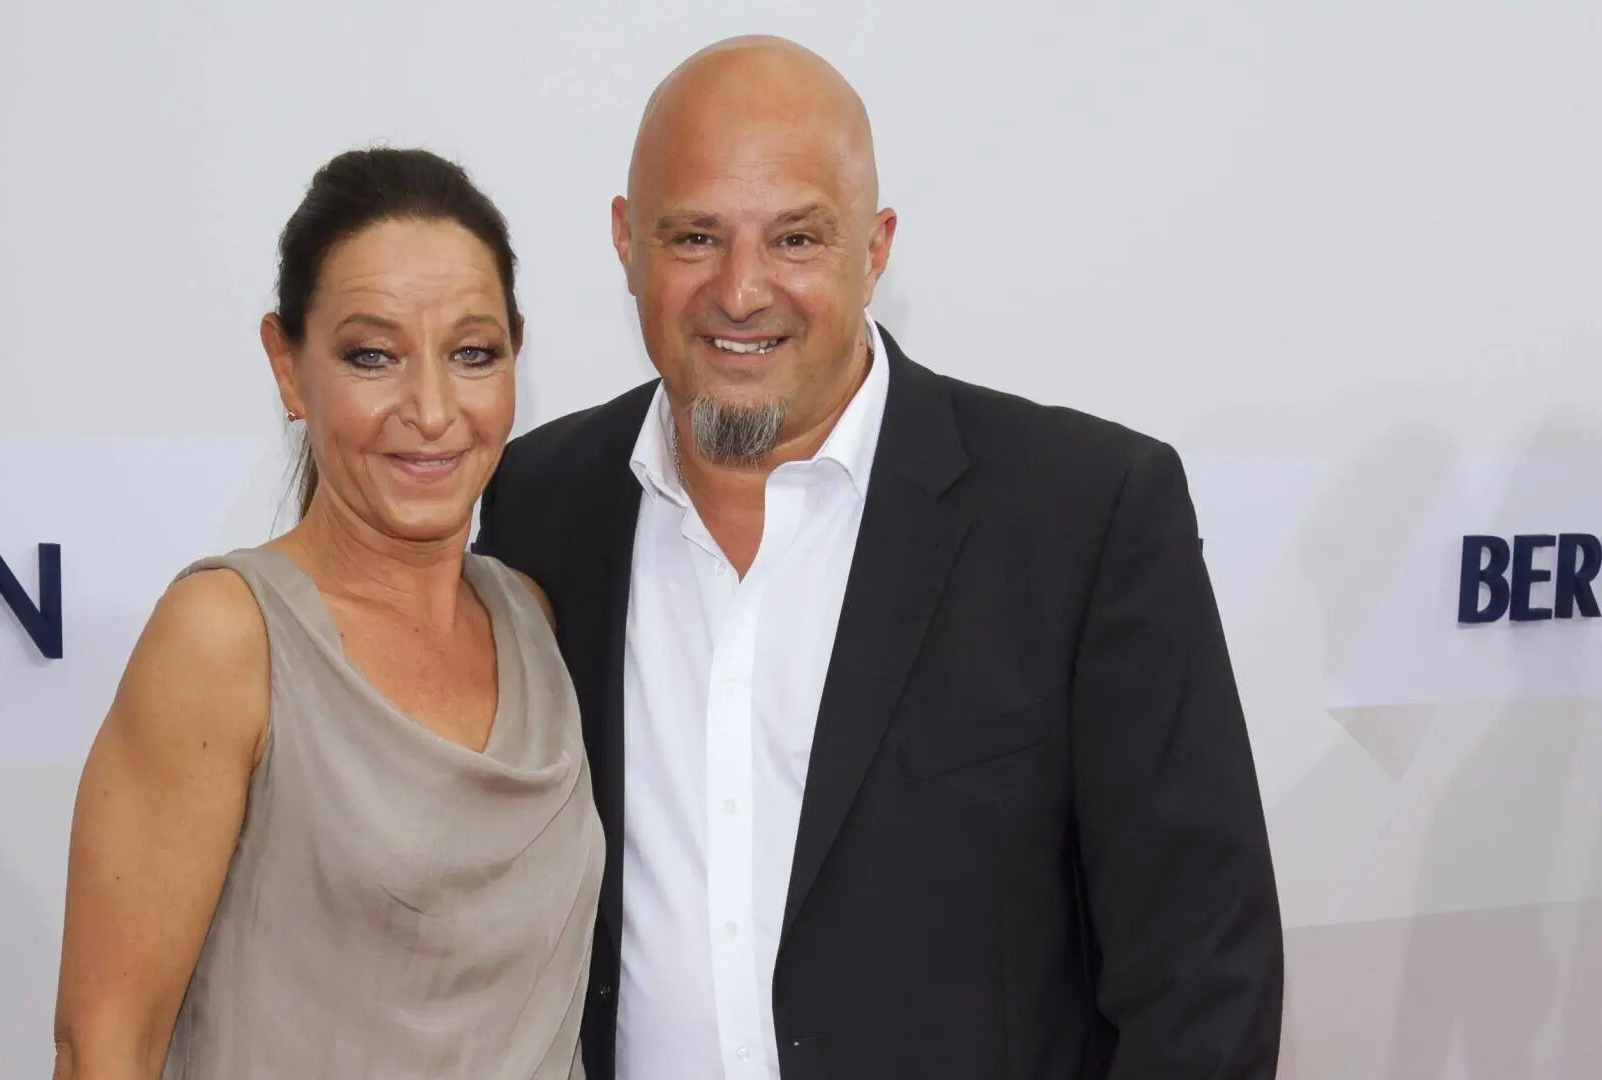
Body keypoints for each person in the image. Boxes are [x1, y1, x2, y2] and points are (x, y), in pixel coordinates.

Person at [476, 36, 1284, 1080]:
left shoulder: (1084, 517)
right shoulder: (538, 503)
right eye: (695, 237)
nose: (741, 289)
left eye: (796, 238)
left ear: (876, 248)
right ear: (627, 242)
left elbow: (1203, 979)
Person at [52, 148, 603, 1080]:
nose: (431, 410)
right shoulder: (227, 639)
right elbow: (105, 1046)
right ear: (288, 366)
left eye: (473, 354)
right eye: (372, 356)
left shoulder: (534, 620)